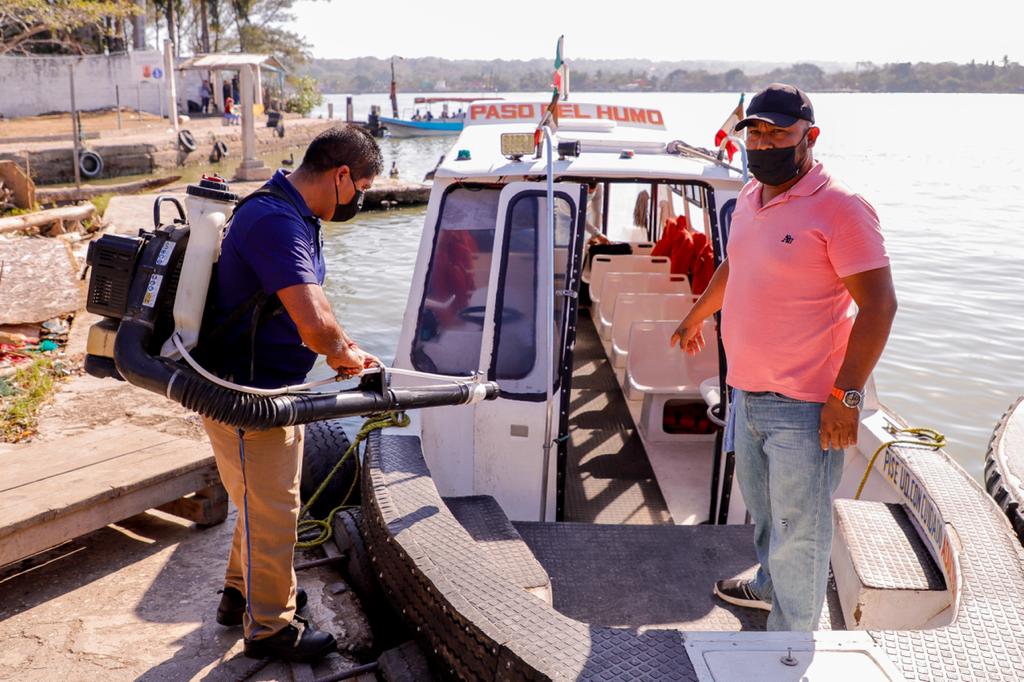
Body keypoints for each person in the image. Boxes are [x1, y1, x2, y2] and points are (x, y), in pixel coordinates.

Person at [671, 84, 897, 631]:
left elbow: (879, 306)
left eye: (780, 133)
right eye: (757, 131)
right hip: (747, 394)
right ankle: (767, 588)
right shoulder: (751, 196)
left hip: (806, 407)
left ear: (809, 137)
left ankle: (789, 645)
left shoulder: (841, 207)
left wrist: (845, 396)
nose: (765, 141)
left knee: (802, 532)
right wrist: (697, 315)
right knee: (768, 516)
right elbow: (736, 264)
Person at [204, 125, 384, 662]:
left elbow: (311, 303)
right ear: (341, 175)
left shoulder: (288, 212)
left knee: (261, 500)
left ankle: (241, 593)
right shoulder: (277, 222)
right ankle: (271, 628)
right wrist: (336, 352)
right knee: (275, 508)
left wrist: (344, 344)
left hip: (266, 386)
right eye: (363, 187)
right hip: (248, 393)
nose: (361, 199)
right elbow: (311, 322)